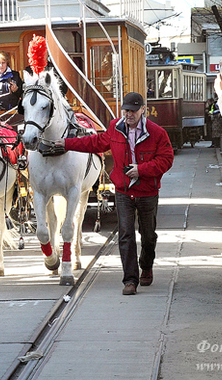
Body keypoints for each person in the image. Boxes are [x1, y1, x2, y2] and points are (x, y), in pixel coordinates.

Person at [54, 92, 174, 295]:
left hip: (147, 192)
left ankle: (146, 266)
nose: (129, 115)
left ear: (142, 110)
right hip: (123, 191)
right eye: (126, 110)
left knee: (148, 236)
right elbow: (95, 143)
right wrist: (67, 144)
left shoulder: (157, 133)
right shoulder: (115, 128)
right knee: (125, 234)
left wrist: (141, 170)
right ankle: (130, 280)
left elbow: (166, 159)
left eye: (133, 111)